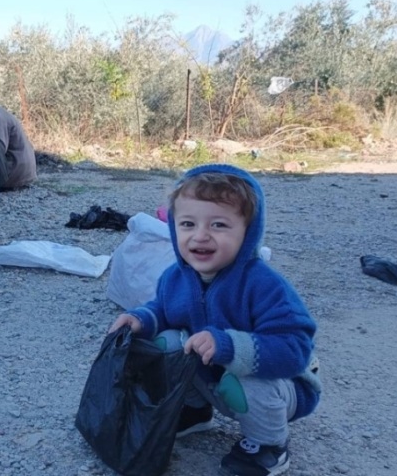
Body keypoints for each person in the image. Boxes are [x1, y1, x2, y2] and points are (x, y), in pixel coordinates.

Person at [107, 164, 321, 476]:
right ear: (174, 228)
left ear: (248, 233)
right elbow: (163, 311)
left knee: (245, 384)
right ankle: (195, 411)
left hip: (279, 385)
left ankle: (269, 445)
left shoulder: (264, 285)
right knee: (165, 344)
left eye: (219, 225)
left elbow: (295, 351)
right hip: (214, 379)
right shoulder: (175, 277)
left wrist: (229, 346)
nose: (201, 236)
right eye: (188, 224)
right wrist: (140, 319)